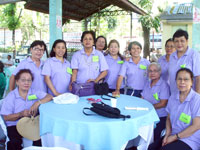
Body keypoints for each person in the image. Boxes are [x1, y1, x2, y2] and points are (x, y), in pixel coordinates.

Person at [148, 68, 200, 150]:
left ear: (191, 82)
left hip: (190, 140)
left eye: (186, 79)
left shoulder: (197, 99)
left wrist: (174, 137)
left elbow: (196, 126)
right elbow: (168, 118)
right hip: (173, 135)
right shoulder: (173, 97)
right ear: (175, 81)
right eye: (179, 79)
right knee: (151, 148)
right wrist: (167, 135)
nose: (182, 82)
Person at [0, 69, 52, 150]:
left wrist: (37, 103)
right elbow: (6, 117)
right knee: (14, 143)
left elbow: (49, 97)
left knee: (41, 138)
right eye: (23, 80)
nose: (26, 83)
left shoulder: (34, 92)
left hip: (31, 122)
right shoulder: (11, 96)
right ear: (17, 82)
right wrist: (20, 114)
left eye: (29, 80)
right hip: (15, 124)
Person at [141, 62, 170, 141]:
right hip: (147, 114)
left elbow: (163, 103)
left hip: (159, 117)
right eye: (150, 71)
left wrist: (148, 108)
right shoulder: (148, 83)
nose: (152, 73)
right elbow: (142, 97)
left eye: (155, 71)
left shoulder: (164, 85)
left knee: (153, 139)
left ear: (160, 72)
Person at [169, 29, 200, 94]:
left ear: (187, 41)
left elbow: (198, 77)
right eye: (176, 41)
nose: (179, 44)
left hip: (189, 97)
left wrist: (197, 97)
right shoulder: (172, 56)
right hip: (174, 95)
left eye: (182, 41)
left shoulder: (194, 55)